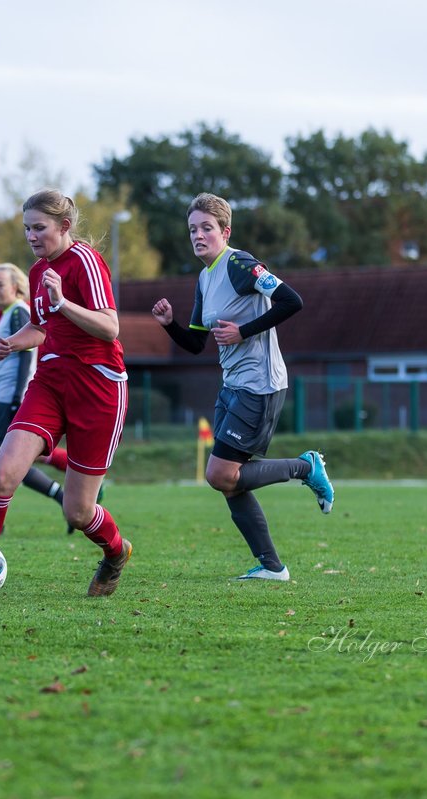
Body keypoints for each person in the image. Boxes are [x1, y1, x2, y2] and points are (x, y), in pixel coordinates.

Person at [150, 192, 332, 582]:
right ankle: (272, 567)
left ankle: (307, 466)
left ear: (225, 231)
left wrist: (243, 331)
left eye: (206, 228)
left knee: (220, 474)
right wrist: (169, 324)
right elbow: (198, 343)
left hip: (260, 385)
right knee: (228, 481)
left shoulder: (240, 265)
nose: (198, 235)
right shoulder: (204, 277)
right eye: (193, 229)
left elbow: (291, 300)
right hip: (231, 385)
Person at [0, 190, 131, 600]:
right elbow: (41, 328)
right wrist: (10, 344)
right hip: (51, 382)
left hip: (98, 388)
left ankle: (115, 553)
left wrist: (64, 302)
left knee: (77, 511)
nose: (32, 236)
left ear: (64, 226)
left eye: (39, 227)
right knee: (1, 475)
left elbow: (110, 328)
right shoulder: (38, 271)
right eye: (27, 228)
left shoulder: (86, 262)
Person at [0, 262, 68, 523]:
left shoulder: (19, 311)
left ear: (15, 286)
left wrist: (17, 396)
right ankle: (58, 496)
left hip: (9, 398)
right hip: (1, 395)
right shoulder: (5, 313)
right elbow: (4, 361)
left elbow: (28, 355)